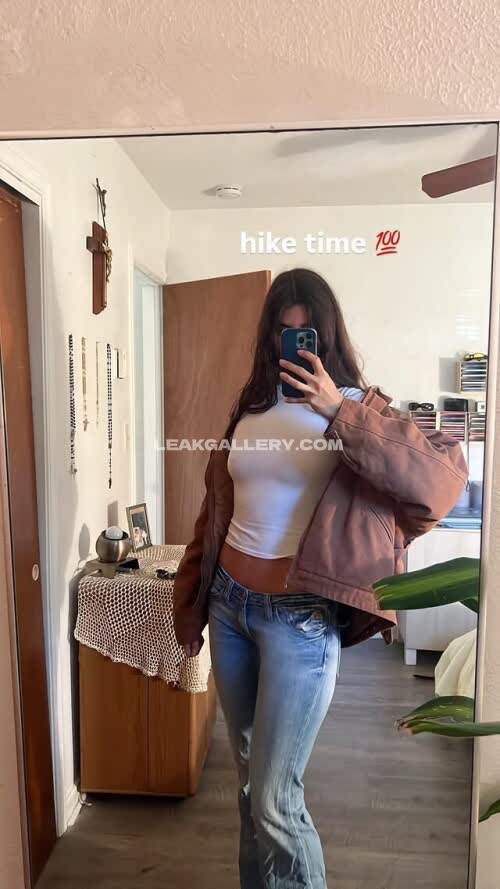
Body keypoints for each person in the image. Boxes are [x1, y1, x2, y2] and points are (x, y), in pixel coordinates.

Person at [172, 268, 467, 889]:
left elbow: (438, 486)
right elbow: (216, 511)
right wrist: (191, 602)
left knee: (276, 798)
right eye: (284, 332)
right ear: (269, 337)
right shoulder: (252, 407)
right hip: (229, 608)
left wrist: (338, 410)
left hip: (299, 620)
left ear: (328, 338)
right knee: (250, 783)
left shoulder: (361, 408)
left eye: (307, 334)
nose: (295, 344)